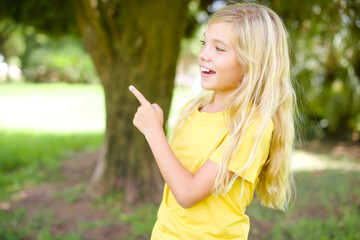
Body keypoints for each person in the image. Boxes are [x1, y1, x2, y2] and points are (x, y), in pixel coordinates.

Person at [129, 2, 296, 239]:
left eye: (220, 49)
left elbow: (187, 194)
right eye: (204, 43)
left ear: (252, 64)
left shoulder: (252, 125)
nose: (203, 54)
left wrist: (153, 131)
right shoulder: (195, 109)